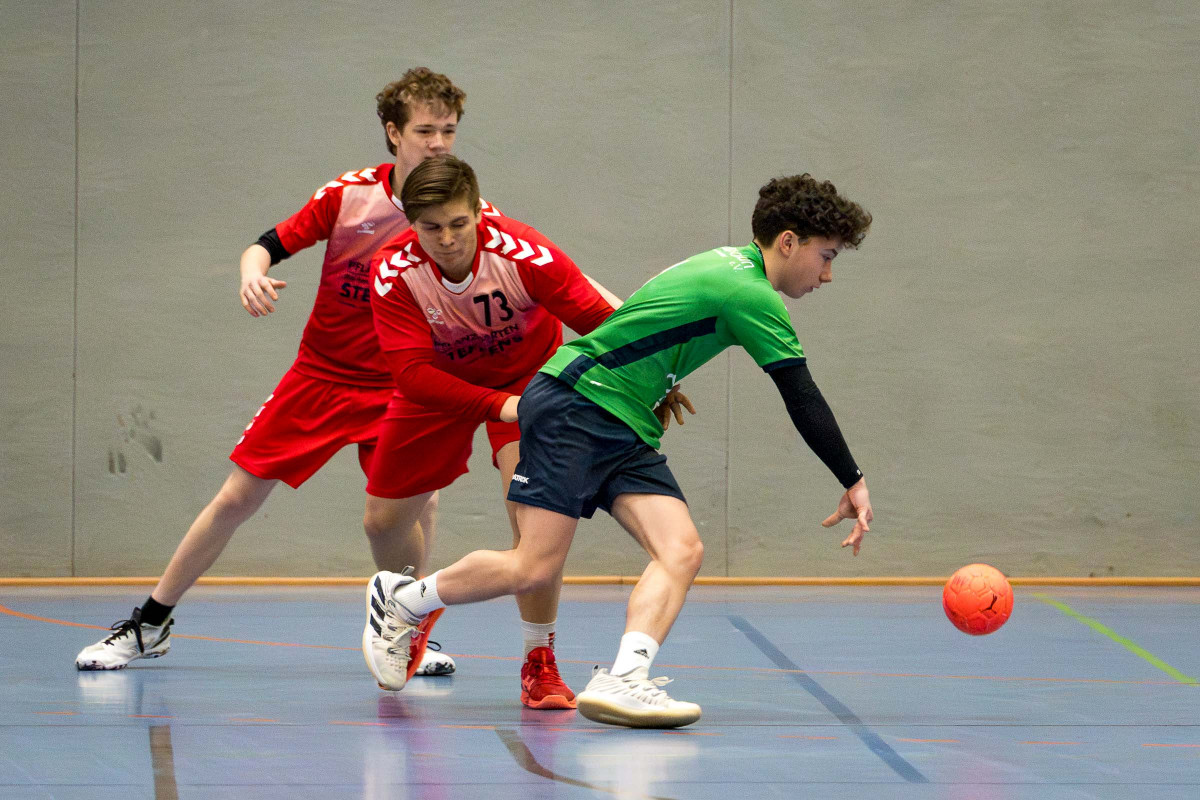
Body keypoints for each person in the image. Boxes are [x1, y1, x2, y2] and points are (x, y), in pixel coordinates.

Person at [366, 172, 875, 728]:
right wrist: (851, 479)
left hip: (625, 421)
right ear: (788, 242)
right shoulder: (751, 293)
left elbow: (632, 322)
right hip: (577, 406)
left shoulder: (726, 264)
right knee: (533, 566)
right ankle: (404, 601)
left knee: (681, 549)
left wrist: (655, 384)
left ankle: (626, 678)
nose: (827, 274)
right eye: (826, 256)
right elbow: (800, 394)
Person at [75, 68, 470, 676]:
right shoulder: (349, 197)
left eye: (448, 130)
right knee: (236, 498)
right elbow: (266, 244)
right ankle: (150, 622)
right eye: (425, 131)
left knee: (422, 504)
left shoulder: (461, 214)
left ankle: (406, 629)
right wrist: (251, 274)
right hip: (322, 376)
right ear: (394, 133)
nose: (439, 143)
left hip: (402, 386)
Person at [362, 153, 681, 708]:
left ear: (478, 213)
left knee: (533, 535)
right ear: (410, 224)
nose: (448, 240)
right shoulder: (394, 272)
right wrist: (499, 406)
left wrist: (653, 380)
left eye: (459, 224)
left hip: (530, 383)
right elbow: (412, 375)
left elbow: (598, 318)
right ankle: (400, 602)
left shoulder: (521, 251)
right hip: (439, 385)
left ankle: (540, 661)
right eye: (432, 228)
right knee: (382, 522)